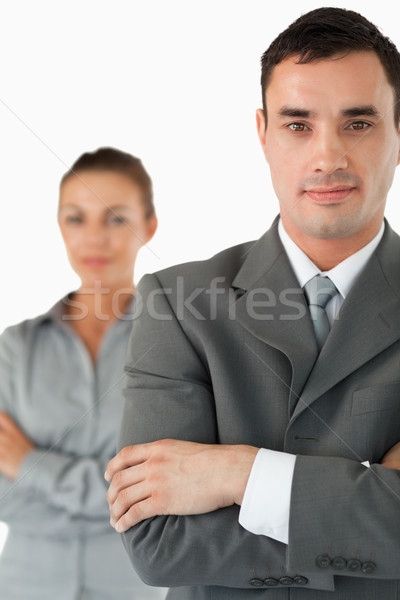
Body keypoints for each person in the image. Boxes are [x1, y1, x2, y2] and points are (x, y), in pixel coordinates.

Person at [106, 7, 400, 600]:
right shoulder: (177, 303)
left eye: (359, 123)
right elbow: (161, 545)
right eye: (298, 124)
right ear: (262, 133)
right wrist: (373, 504)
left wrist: (238, 474)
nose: (328, 156)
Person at [0, 147, 166, 599]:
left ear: (148, 226)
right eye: (76, 218)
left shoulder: (175, 345)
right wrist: (111, 504)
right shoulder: (16, 347)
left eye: (115, 218)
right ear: (60, 227)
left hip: (133, 587)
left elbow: (163, 490)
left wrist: (28, 463)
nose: (95, 238)